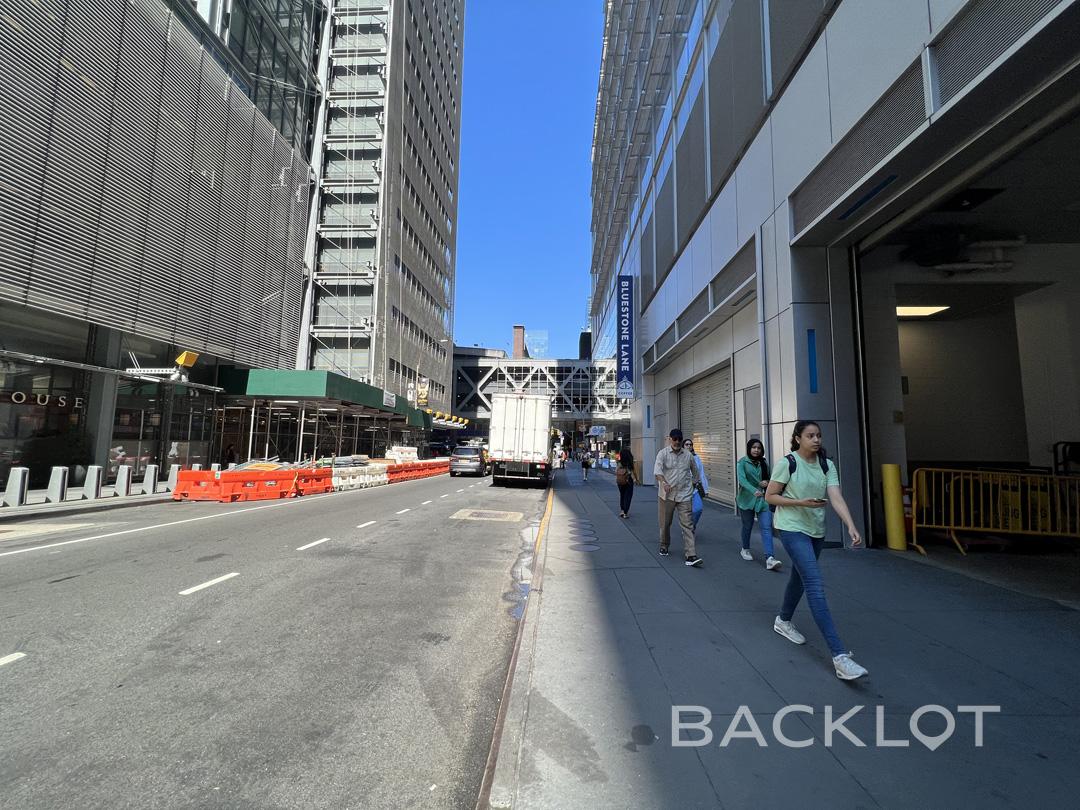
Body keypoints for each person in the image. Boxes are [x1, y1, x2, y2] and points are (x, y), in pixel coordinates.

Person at [765, 420, 868, 681]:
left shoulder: (826, 464)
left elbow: (836, 497)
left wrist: (850, 525)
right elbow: (770, 496)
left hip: (816, 530)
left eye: (819, 435)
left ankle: (783, 621)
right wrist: (800, 502)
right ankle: (840, 656)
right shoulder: (787, 463)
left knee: (799, 578)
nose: (816, 439)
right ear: (798, 438)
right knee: (813, 583)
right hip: (791, 528)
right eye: (810, 435)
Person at [653, 428, 703, 567]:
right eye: (674, 439)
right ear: (670, 439)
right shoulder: (663, 454)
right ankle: (664, 544)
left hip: (684, 495)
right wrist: (664, 482)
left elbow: (696, 472)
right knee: (665, 523)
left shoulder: (688, 455)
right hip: (666, 495)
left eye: (679, 439)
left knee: (688, 525)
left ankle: (691, 555)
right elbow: (657, 471)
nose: (677, 442)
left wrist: (693, 485)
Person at [737, 439, 781, 571]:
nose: (756, 450)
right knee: (747, 526)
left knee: (766, 527)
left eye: (759, 448)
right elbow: (742, 480)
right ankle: (745, 549)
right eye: (754, 447)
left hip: (763, 500)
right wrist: (754, 489)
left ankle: (770, 558)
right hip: (747, 499)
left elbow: (770, 478)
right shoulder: (742, 462)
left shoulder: (764, 462)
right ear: (749, 449)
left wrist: (767, 482)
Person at [682, 439, 709, 529]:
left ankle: (691, 526)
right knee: (686, 512)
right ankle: (687, 529)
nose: (689, 446)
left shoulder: (696, 458)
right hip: (684, 489)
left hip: (695, 489)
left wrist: (706, 489)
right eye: (686, 444)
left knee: (698, 509)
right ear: (683, 446)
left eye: (690, 444)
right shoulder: (679, 458)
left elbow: (701, 473)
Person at [616, 448, 636, 518]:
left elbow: (616, 471)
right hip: (628, 480)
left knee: (622, 495)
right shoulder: (630, 463)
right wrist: (635, 479)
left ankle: (622, 510)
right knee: (628, 496)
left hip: (620, 480)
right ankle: (625, 512)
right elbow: (632, 472)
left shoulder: (619, 463)